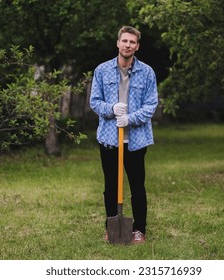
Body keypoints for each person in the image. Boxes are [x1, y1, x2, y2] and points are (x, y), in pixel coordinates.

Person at [90, 26, 158, 244]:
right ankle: (112, 228)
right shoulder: (102, 70)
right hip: (110, 138)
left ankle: (139, 230)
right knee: (110, 185)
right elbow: (94, 101)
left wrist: (130, 118)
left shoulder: (147, 72)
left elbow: (151, 105)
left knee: (137, 186)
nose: (128, 45)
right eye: (125, 41)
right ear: (118, 43)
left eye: (132, 42)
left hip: (136, 140)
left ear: (137, 46)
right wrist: (111, 109)